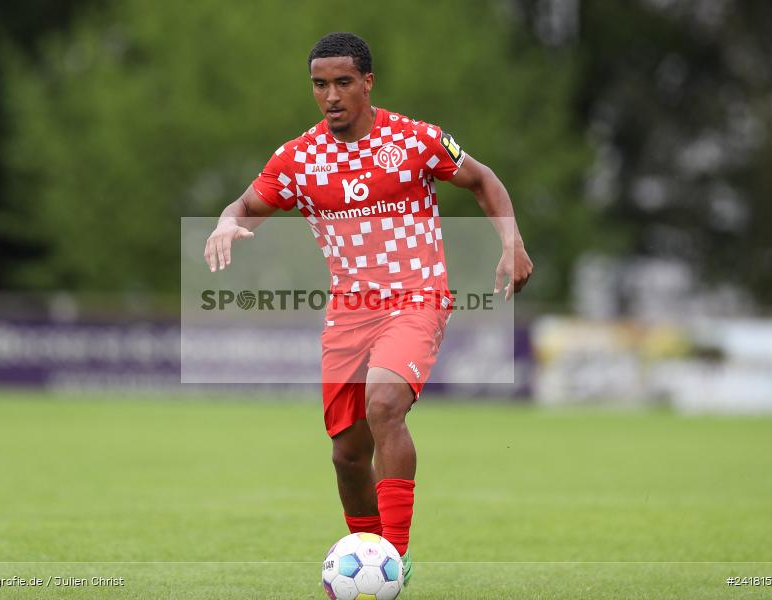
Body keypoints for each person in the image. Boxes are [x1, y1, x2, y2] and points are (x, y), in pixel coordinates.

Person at [204, 32, 533, 585]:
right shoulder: (298, 158)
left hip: (417, 297)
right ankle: (369, 554)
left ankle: (392, 563)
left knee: (384, 404)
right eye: (319, 85)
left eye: (342, 83)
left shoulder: (414, 139)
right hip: (349, 311)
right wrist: (226, 221)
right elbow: (248, 204)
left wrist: (512, 241)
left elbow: (482, 179)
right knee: (348, 456)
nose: (331, 95)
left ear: (367, 83)